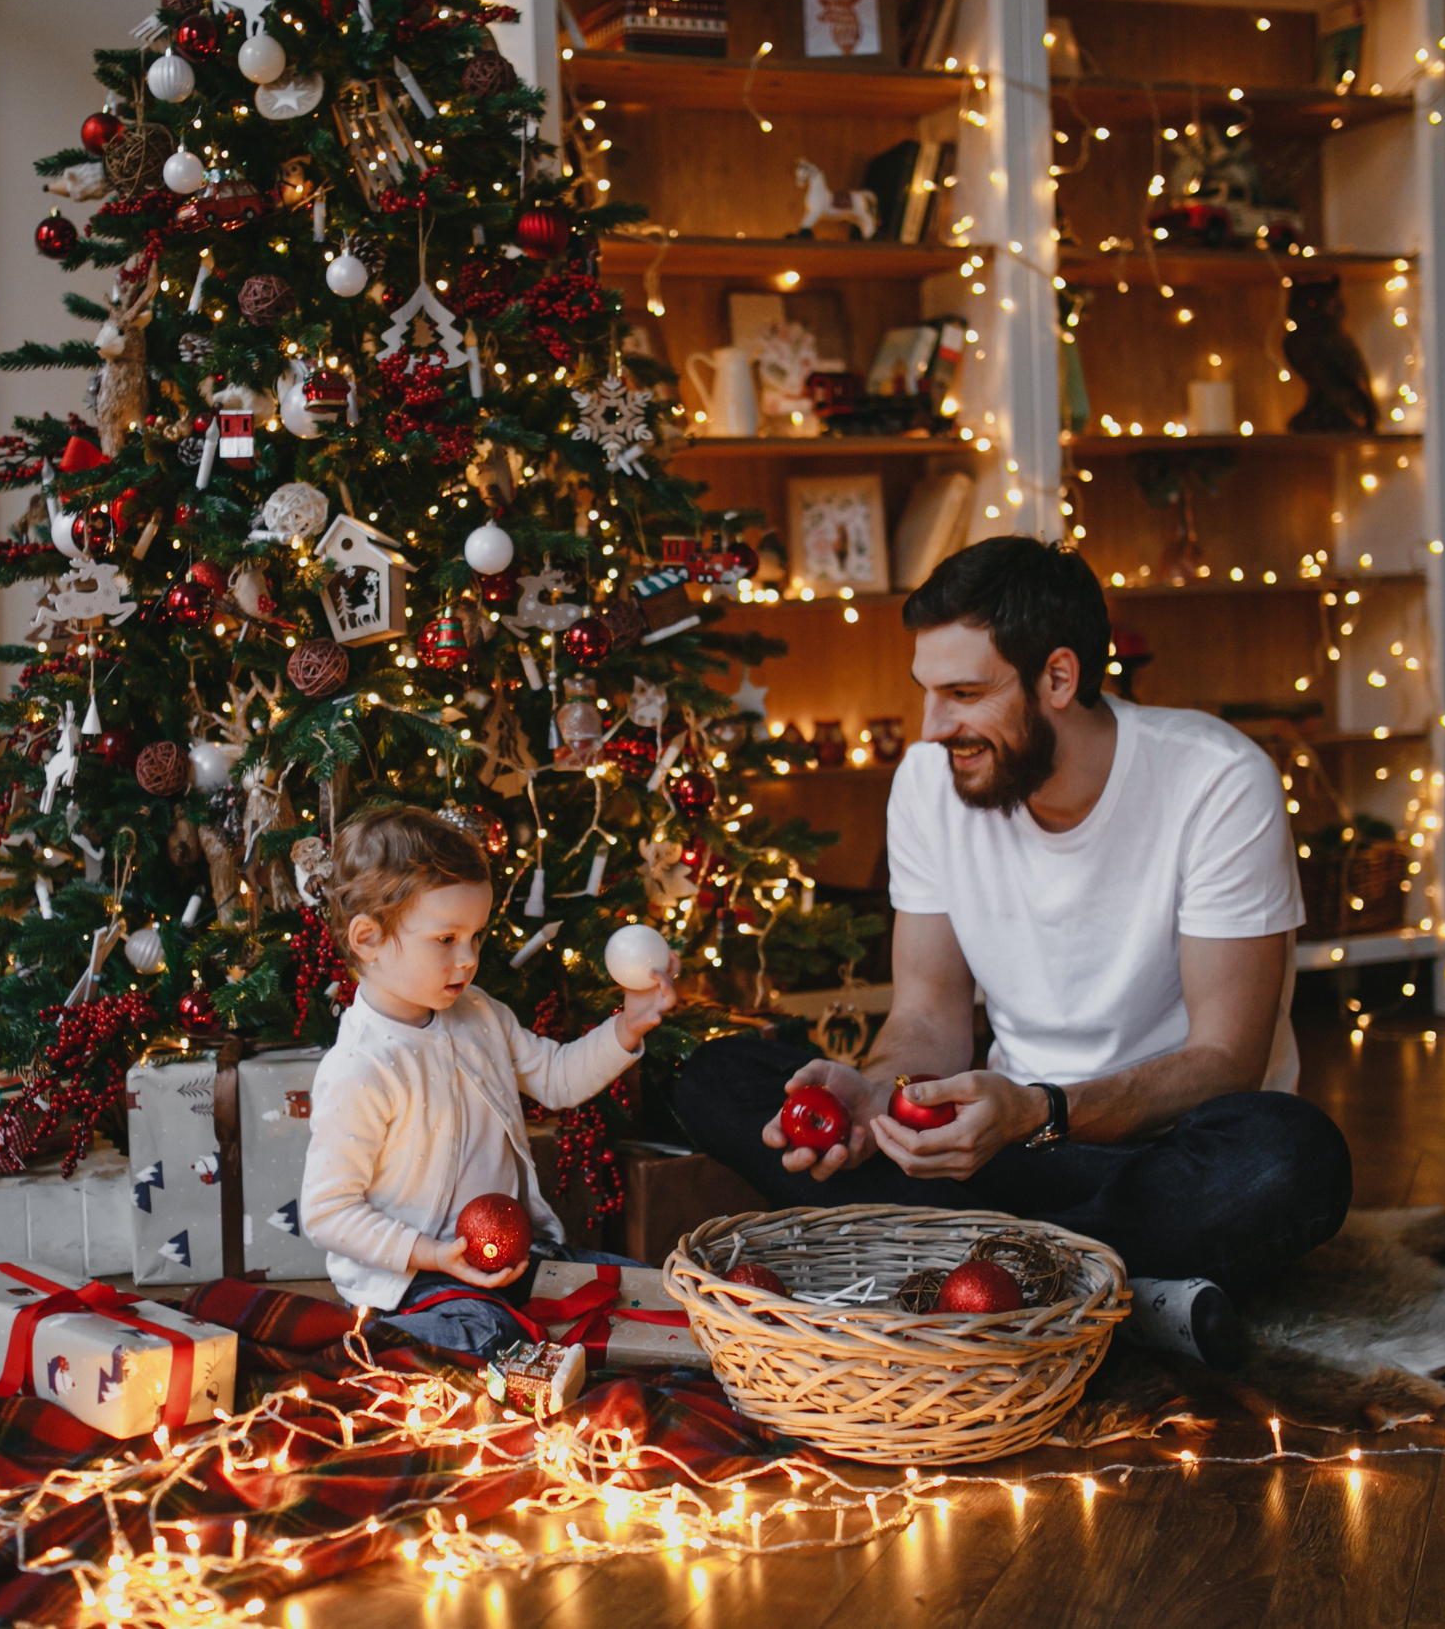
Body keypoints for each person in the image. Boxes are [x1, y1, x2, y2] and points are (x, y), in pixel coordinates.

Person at [676, 538, 1353, 1369]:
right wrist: (878, 1095)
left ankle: (974, 1266)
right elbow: (928, 1014)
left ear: (1058, 678)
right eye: (928, 692)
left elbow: (1227, 1060)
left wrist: (1038, 1110)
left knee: (1292, 1157)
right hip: (999, 1150)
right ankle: (1107, 1292)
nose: (933, 727)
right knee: (715, 1076)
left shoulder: (1216, 780)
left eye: (964, 694)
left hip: (1160, 1154)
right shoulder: (928, 783)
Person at [300, 804, 678, 1357]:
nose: (467, 958)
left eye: (475, 936)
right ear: (368, 938)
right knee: (488, 1332)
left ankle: (539, 1338)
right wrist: (432, 1253)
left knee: (637, 1287)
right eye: (445, 939)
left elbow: (557, 1080)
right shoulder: (361, 1067)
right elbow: (328, 1212)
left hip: (510, 1256)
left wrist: (628, 1026)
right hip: (412, 1280)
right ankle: (371, 1346)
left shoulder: (478, 1014)